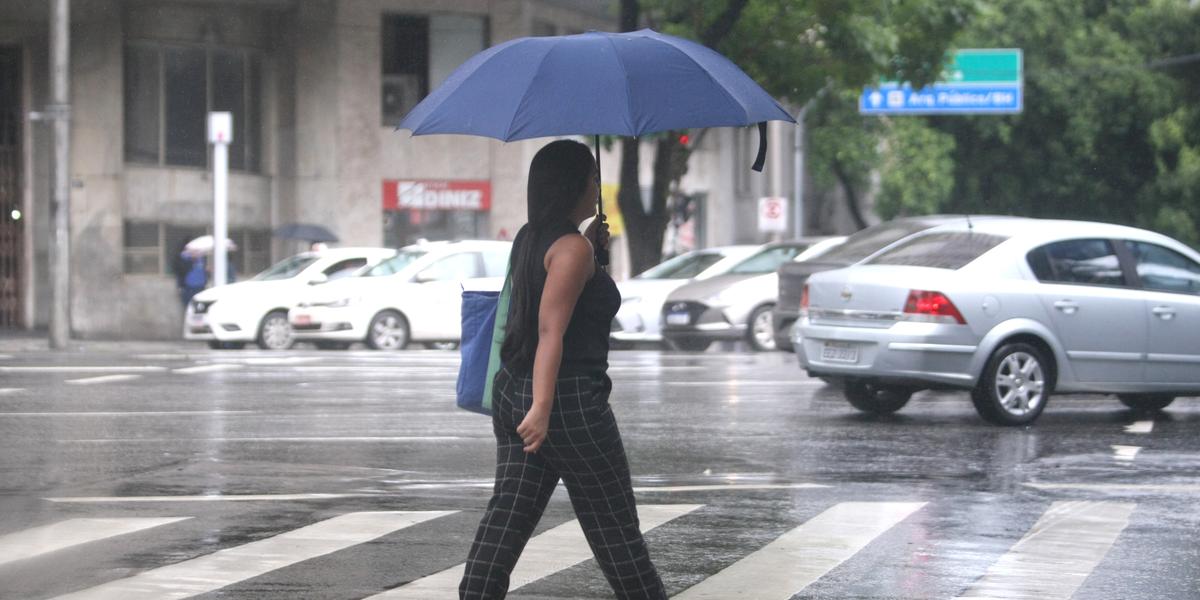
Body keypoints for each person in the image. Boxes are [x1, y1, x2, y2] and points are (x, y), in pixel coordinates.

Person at [459, 140, 665, 599]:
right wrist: (544, 408)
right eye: (592, 176)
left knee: (507, 519)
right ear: (574, 184)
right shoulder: (570, 250)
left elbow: (543, 305)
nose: (597, 184)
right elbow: (551, 331)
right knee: (615, 529)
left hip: (515, 389)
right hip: (566, 401)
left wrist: (590, 250)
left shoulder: (532, 238)